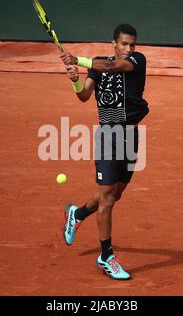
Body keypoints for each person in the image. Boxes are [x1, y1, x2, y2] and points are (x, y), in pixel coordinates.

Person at [60, 24, 149, 280]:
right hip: (109, 136)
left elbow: (111, 67)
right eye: (124, 44)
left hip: (130, 136)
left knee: (115, 193)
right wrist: (76, 79)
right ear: (114, 43)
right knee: (108, 198)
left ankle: (77, 214)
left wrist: (78, 59)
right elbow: (84, 96)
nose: (129, 48)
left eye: (132, 44)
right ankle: (106, 257)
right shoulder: (97, 66)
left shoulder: (137, 61)